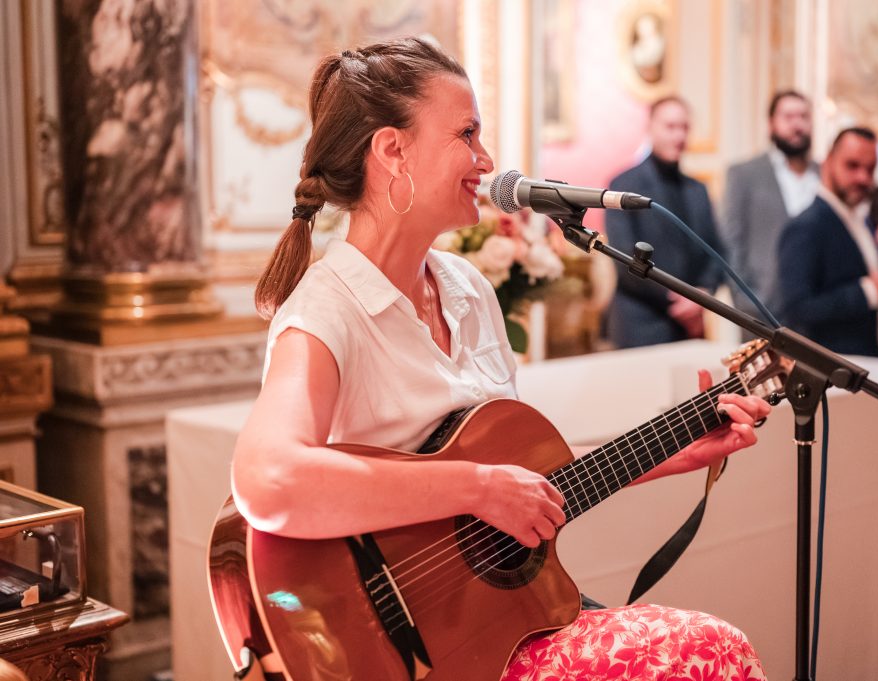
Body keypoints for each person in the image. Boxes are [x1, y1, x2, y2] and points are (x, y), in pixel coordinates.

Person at [231, 38, 771, 679]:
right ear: (391, 151)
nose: (486, 159)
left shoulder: (466, 288)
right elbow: (270, 480)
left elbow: (518, 482)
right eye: (467, 133)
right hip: (402, 654)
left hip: (491, 629)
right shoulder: (326, 309)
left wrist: (669, 455)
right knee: (713, 651)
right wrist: (479, 487)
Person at [605, 96, 725, 348]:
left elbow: (715, 252)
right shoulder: (623, 185)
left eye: (684, 128)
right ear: (650, 128)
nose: (679, 136)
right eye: (670, 127)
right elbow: (624, 259)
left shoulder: (698, 190)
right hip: (640, 323)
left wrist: (702, 295)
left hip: (690, 325)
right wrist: (680, 300)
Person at [777, 127, 878, 356]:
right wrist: (869, 291)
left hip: (876, 355)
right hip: (835, 365)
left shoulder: (864, 218)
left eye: (870, 169)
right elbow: (798, 309)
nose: (863, 177)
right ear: (827, 163)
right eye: (852, 166)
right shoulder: (805, 227)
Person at [722, 90, 819, 325]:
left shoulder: (824, 174)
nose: (797, 125)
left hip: (816, 310)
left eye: (803, 117)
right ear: (771, 123)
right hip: (762, 310)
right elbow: (730, 241)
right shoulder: (744, 174)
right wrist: (746, 300)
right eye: (788, 117)